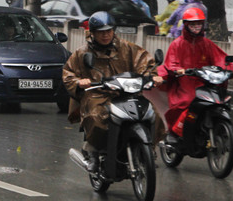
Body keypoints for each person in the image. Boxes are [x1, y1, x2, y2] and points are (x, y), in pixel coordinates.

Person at [63, 11, 163, 171]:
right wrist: (79, 82)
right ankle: (94, 153)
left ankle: (149, 150)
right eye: (101, 32)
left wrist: (152, 76)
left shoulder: (127, 48)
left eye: (109, 31)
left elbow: (145, 62)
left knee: (153, 114)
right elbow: (68, 74)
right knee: (97, 118)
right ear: (93, 33)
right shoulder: (82, 53)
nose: (106, 35)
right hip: (98, 95)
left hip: (127, 93)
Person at [158, 7, 233, 143]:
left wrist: (229, 69)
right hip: (184, 84)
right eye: (193, 24)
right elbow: (171, 63)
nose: (196, 27)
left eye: (199, 24)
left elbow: (220, 58)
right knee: (186, 101)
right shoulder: (177, 44)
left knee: (220, 98)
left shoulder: (207, 44)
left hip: (205, 82)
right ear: (186, 25)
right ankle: (174, 131)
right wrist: (179, 70)